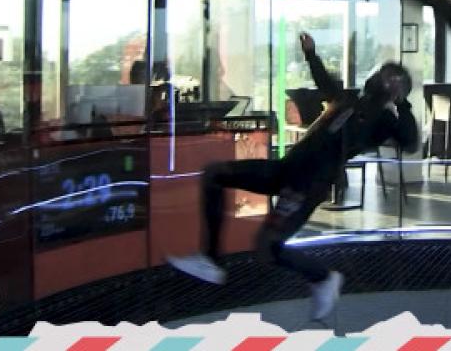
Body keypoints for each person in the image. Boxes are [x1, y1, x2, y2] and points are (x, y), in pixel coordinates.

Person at [168, 32, 418, 320]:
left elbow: (410, 141)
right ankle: (210, 261)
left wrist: (403, 104)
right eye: (381, 72)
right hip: (285, 169)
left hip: (305, 185)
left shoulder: (384, 120)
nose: (378, 77)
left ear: (395, 90)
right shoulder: (349, 99)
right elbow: (325, 83)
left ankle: (323, 277)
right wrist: (311, 53)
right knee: (215, 174)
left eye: (388, 77)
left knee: (268, 246)